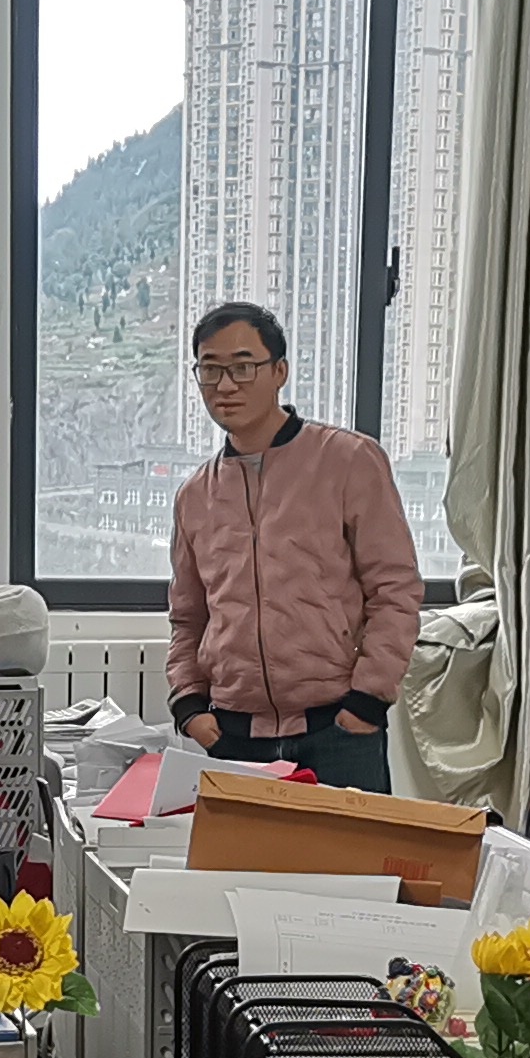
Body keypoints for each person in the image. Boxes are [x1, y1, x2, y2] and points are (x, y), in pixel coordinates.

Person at [165, 301, 425, 795]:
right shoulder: (196, 495)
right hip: (235, 736)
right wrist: (190, 705)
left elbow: (396, 589)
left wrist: (368, 700)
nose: (225, 385)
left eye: (243, 366)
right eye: (210, 369)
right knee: (237, 853)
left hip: (339, 729)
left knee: (354, 850)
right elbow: (188, 616)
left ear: (279, 371)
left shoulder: (347, 460)